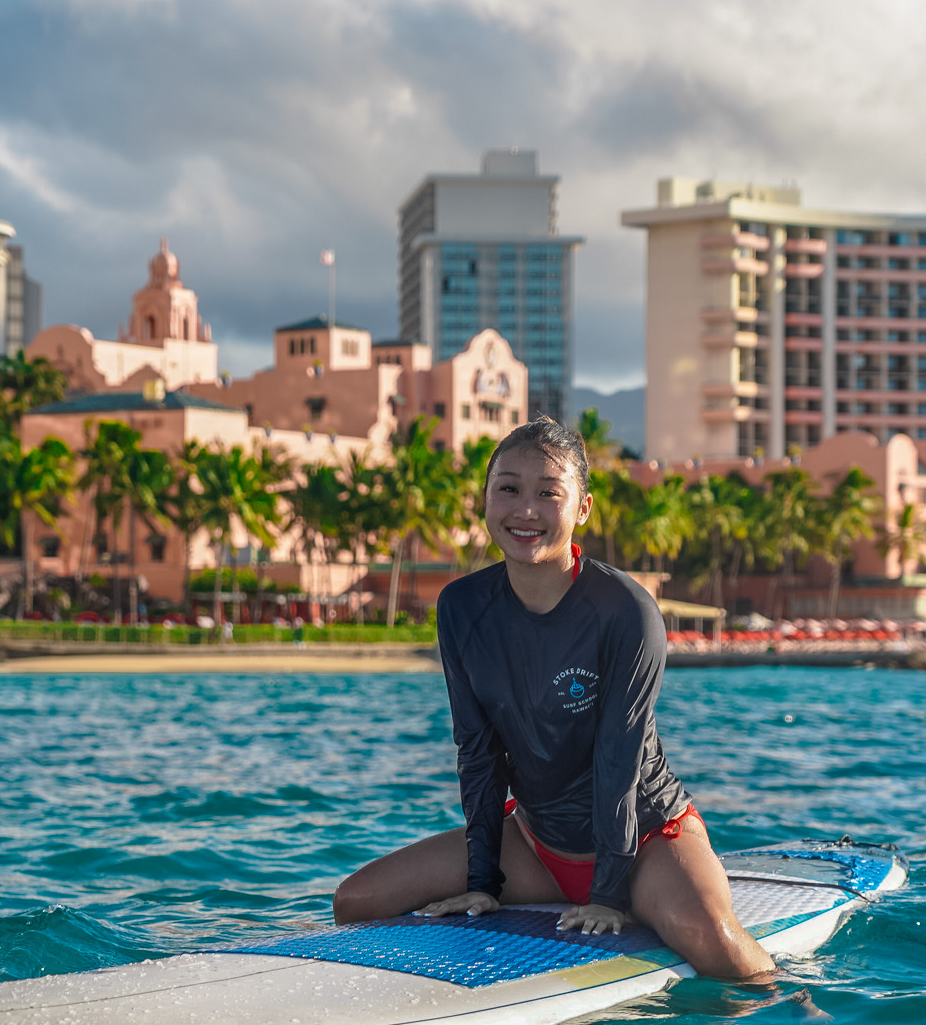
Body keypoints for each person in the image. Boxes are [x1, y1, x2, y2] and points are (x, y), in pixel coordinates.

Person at [333, 417, 776, 982]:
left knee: (713, 941)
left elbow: (619, 763)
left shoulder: (625, 611)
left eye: (549, 493)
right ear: (486, 499)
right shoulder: (463, 607)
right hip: (536, 845)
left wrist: (610, 896)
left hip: (645, 843)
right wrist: (482, 883)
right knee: (356, 900)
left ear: (582, 508)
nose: (526, 510)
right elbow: (477, 752)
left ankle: (799, 1020)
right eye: (509, 489)